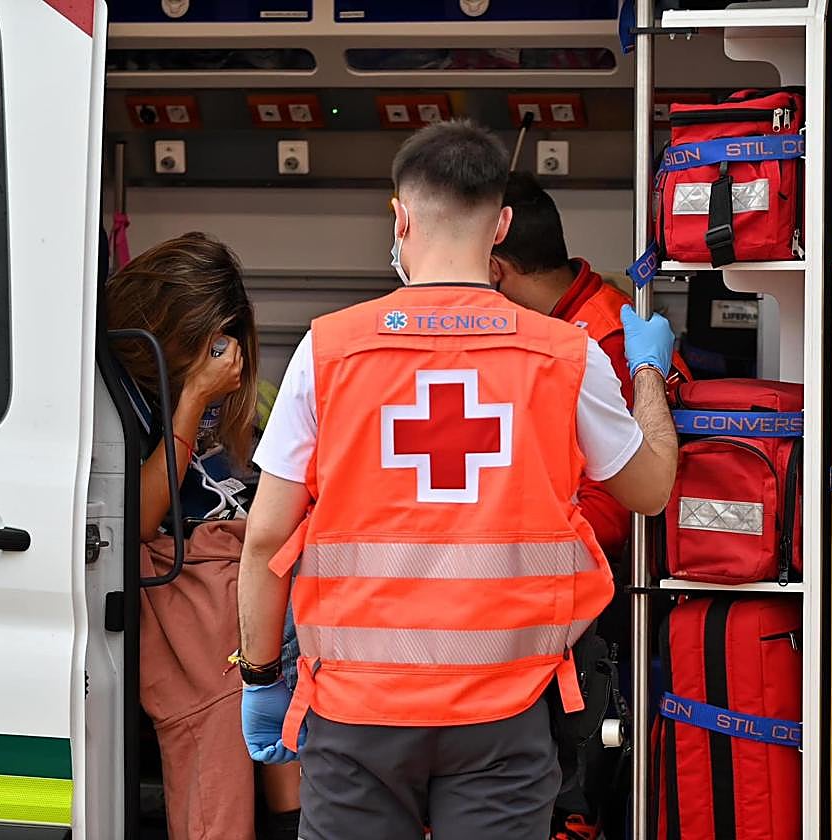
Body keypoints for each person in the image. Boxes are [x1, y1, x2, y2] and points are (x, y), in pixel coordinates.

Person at [235, 120, 679, 840]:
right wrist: (648, 370)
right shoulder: (567, 356)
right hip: (504, 720)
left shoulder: (329, 351)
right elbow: (650, 490)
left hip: (355, 719)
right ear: (501, 224)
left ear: (400, 217)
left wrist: (260, 679)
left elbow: (264, 539)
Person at [105, 232, 301, 840]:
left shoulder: (229, 392)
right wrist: (191, 399)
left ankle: (292, 817)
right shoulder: (119, 389)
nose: (222, 355)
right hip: (183, 573)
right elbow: (135, 520)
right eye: (208, 341)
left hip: (235, 550)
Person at [490, 171, 691, 561]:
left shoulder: (608, 340)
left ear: (495, 269)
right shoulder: (556, 324)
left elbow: (615, 513)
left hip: (608, 573)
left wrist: (511, 551)